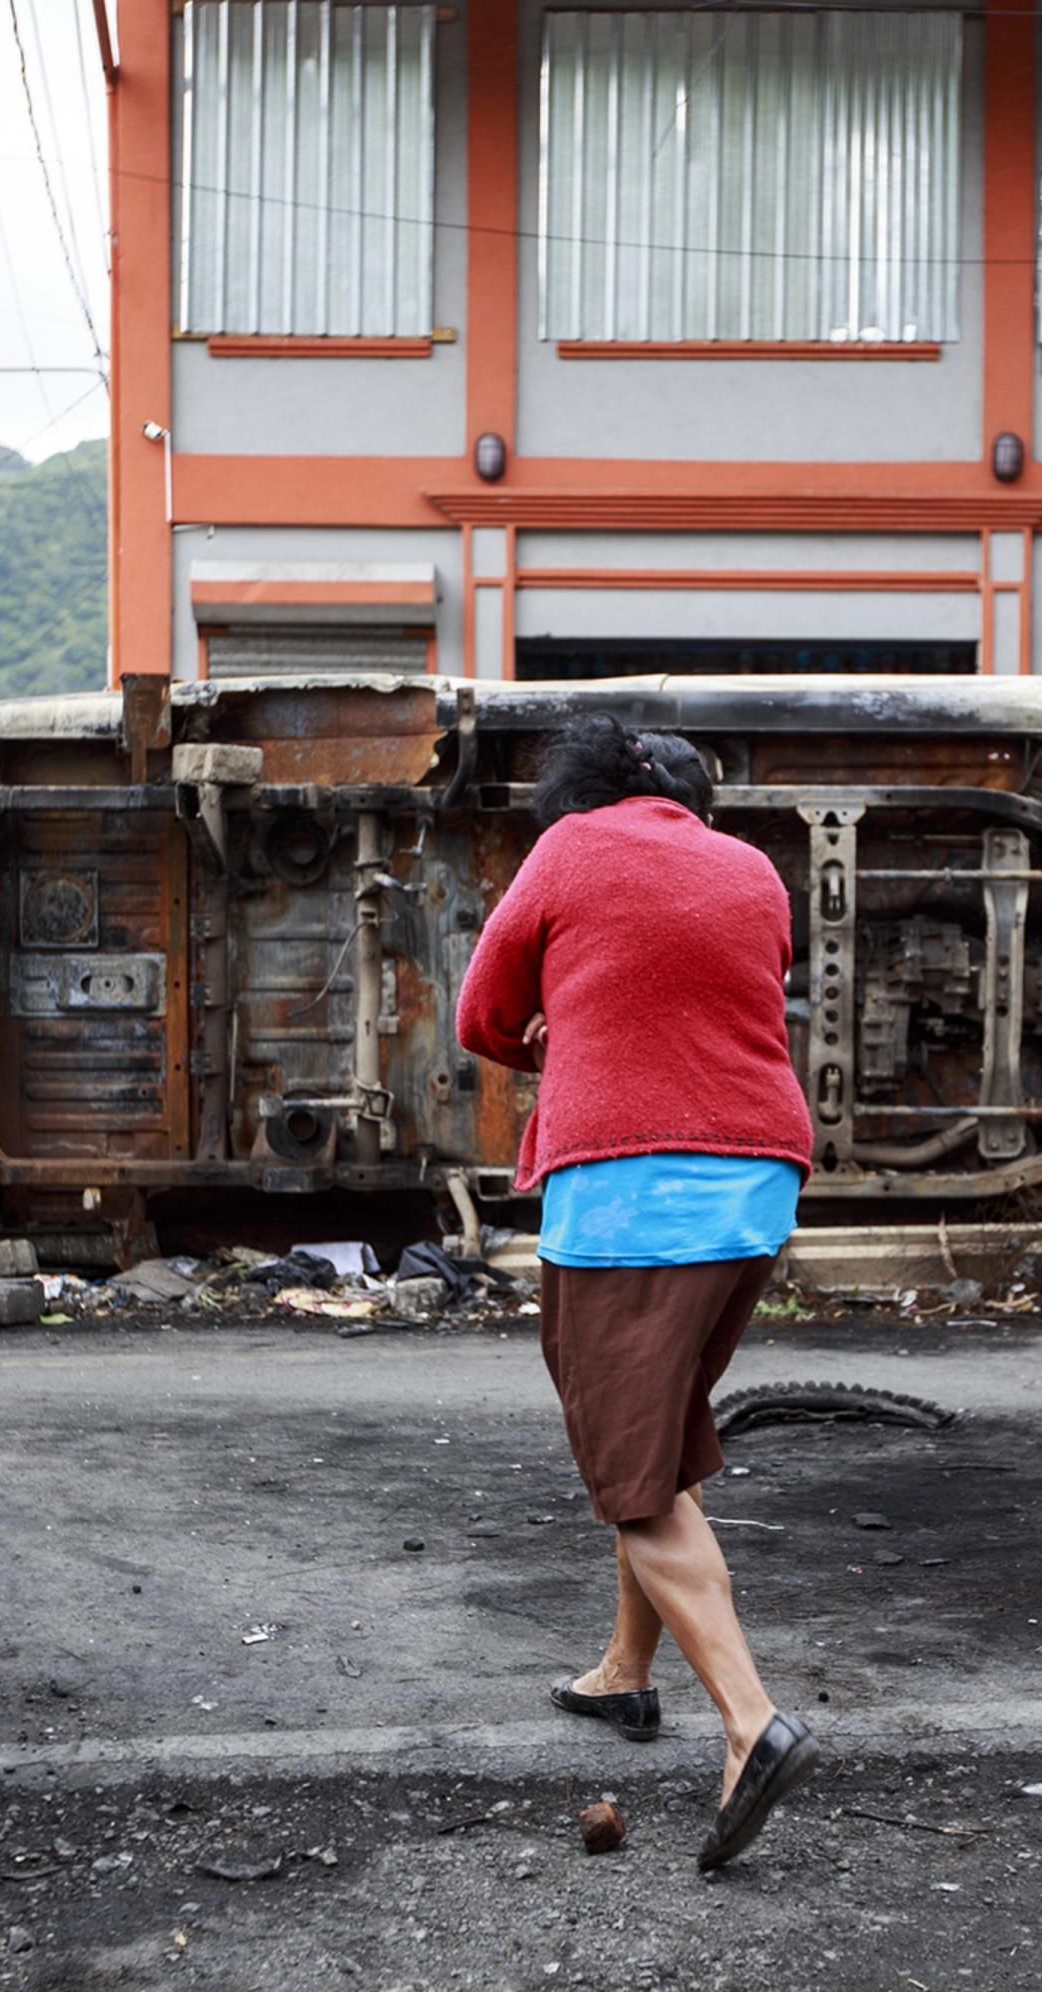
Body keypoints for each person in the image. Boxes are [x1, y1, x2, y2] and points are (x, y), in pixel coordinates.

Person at [454, 712, 822, 1872]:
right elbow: (743, 992)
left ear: (594, 782)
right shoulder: (754, 868)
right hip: (758, 1182)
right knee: (651, 1433)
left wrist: (564, 1039)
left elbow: (480, 1016)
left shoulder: (569, 848)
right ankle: (624, 1670)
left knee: (627, 1468)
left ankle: (751, 1720)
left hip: (631, 1187)